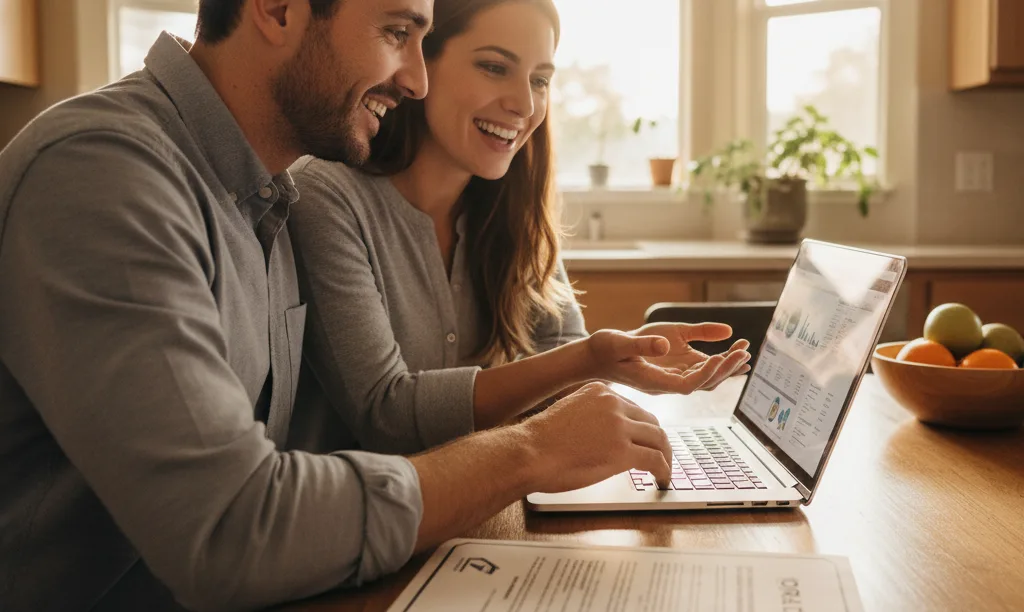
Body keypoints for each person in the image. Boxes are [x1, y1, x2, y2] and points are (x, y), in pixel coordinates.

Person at [0, 1, 706, 609]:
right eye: (397, 32)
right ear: (276, 9)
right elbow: (233, 531)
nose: (417, 79)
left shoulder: (260, 194)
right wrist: (531, 449)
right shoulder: (102, 172)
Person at [286, 0, 752, 455]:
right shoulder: (327, 196)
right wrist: (589, 360)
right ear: (419, 64)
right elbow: (387, 416)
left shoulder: (511, 208)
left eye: (540, 80)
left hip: (489, 509)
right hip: (375, 525)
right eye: (493, 67)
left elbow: (561, 350)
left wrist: (622, 359)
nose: (524, 103)